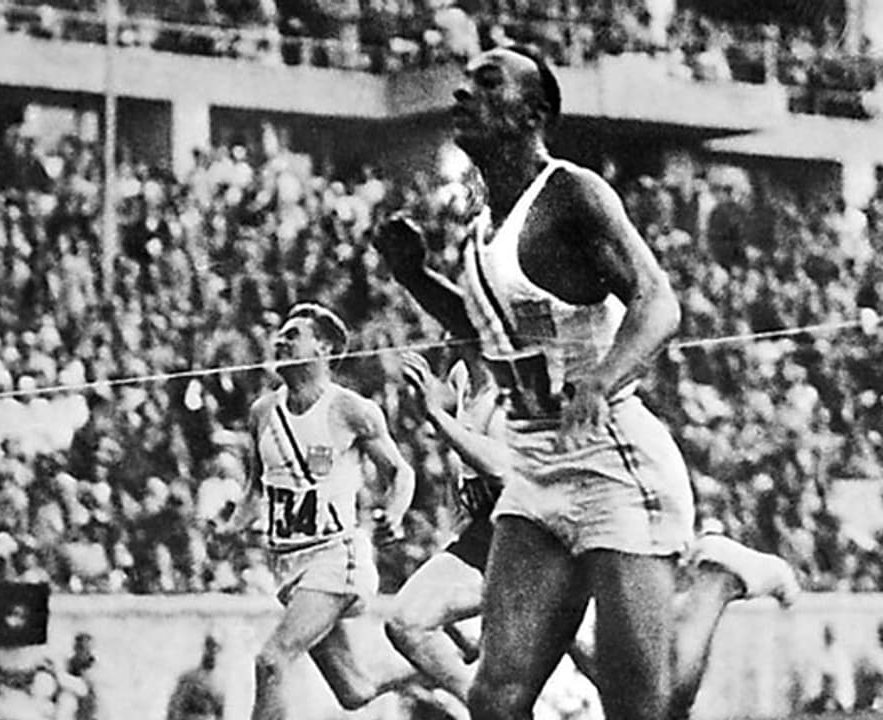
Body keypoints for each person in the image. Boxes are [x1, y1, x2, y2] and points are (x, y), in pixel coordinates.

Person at [375, 44, 794, 720]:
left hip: (610, 460)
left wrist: (601, 379)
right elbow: (489, 336)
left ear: (532, 114)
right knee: (495, 700)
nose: (463, 94)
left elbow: (658, 303)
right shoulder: (481, 228)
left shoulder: (571, 193)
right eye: (465, 83)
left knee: (644, 707)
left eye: (487, 84)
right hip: (535, 467)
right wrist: (415, 277)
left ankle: (718, 577)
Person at [386, 350, 800, 711]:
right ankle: (486, 708)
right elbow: (465, 445)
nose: (447, 333)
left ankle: (719, 576)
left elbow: (505, 468)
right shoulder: (463, 378)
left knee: (655, 695)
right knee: (410, 623)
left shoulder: (521, 383)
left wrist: (439, 419)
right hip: (495, 530)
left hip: (553, 530)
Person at [225, 302, 420, 720]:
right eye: (280, 334)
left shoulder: (350, 409)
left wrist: (395, 512)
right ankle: (443, 666)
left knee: (272, 660)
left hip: (336, 556)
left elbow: (401, 472)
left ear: (325, 348)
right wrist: (231, 527)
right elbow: (256, 487)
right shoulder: (263, 412)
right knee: (355, 690)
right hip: (288, 564)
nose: (280, 341)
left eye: (293, 335)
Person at [166, 635, 226, 720]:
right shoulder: (189, 679)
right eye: (210, 653)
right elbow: (175, 707)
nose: (212, 658)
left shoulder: (218, 686)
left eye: (214, 654)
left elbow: (219, 714)